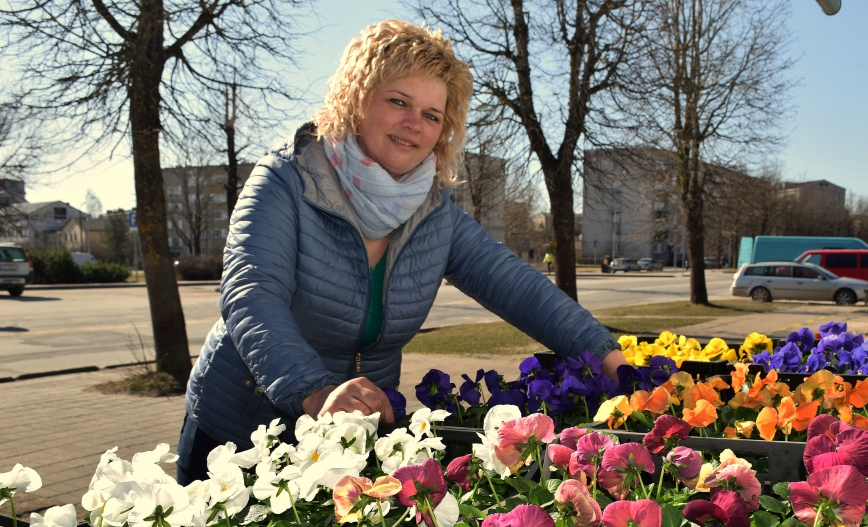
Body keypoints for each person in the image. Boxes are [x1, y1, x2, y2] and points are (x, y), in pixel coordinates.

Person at [176, 21, 627, 484]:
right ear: (355, 99)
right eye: (398, 102)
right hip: (238, 435)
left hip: (351, 436)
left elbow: (518, 287)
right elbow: (252, 295)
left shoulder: (434, 213)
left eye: (432, 115)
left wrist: (609, 357)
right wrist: (315, 391)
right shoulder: (287, 180)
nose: (414, 124)